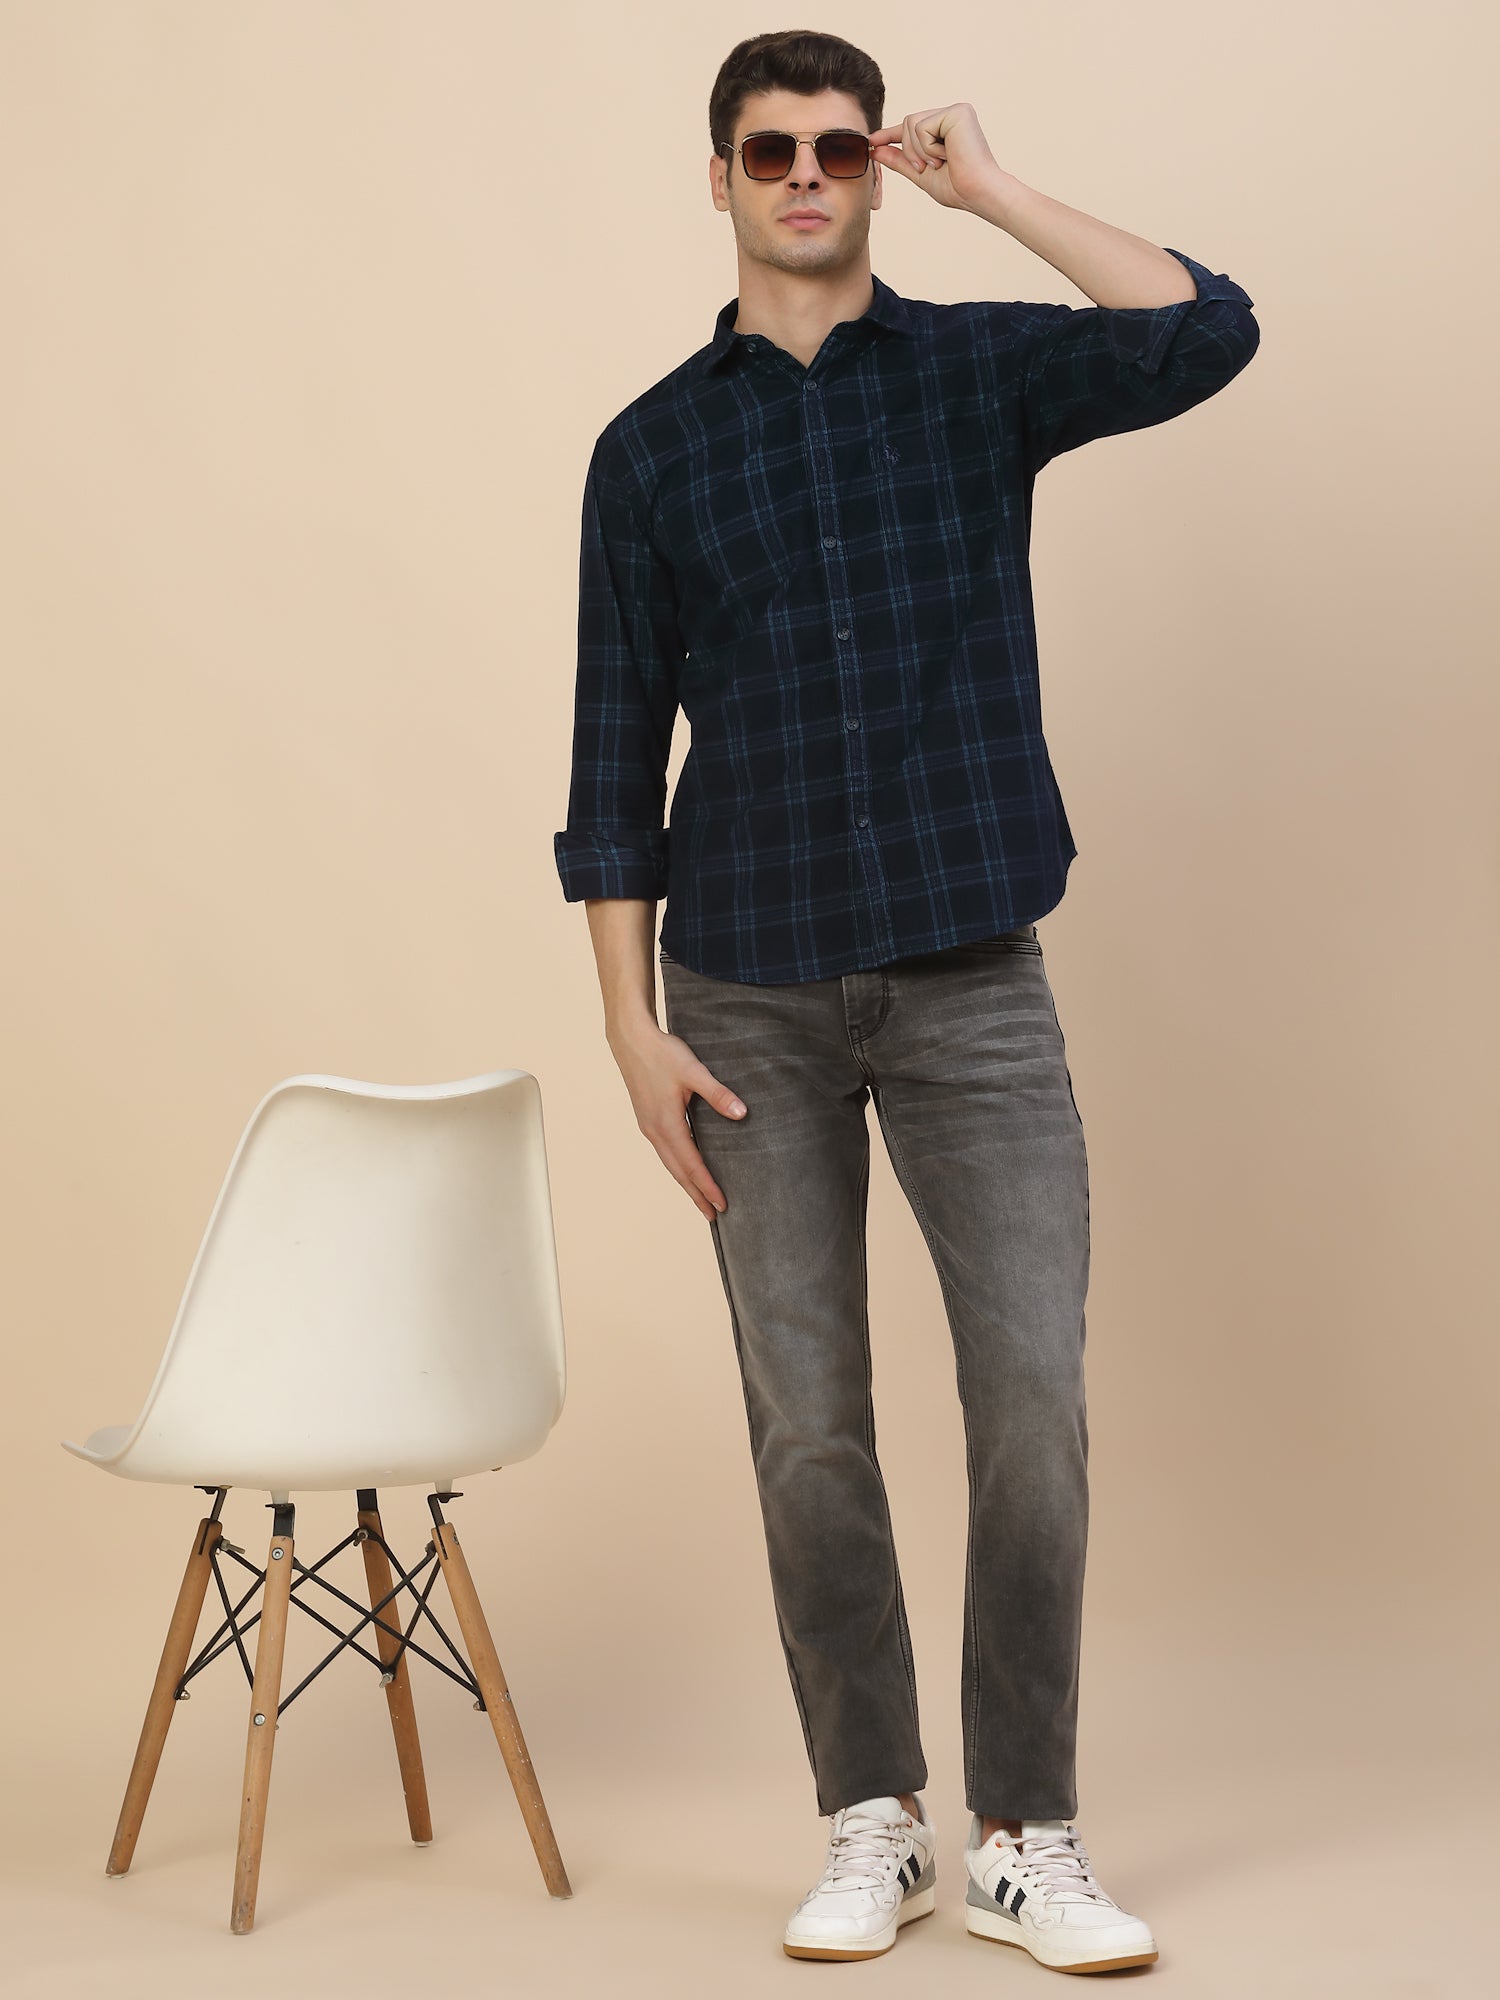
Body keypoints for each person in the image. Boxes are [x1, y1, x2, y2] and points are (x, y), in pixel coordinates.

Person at [554, 27, 1258, 1975]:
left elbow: (1204, 330)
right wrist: (628, 1029)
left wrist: (995, 190)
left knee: (1034, 1401)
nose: (806, 175)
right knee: (809, 1430)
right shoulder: (650, 451)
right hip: (743, 1003)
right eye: (771, 148)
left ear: (877, 165)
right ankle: (874, 1815)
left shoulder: (976, 374)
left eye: (840, 147)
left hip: (972, 985)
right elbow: (613, 762)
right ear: (719, 175)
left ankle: (1026, 1832)